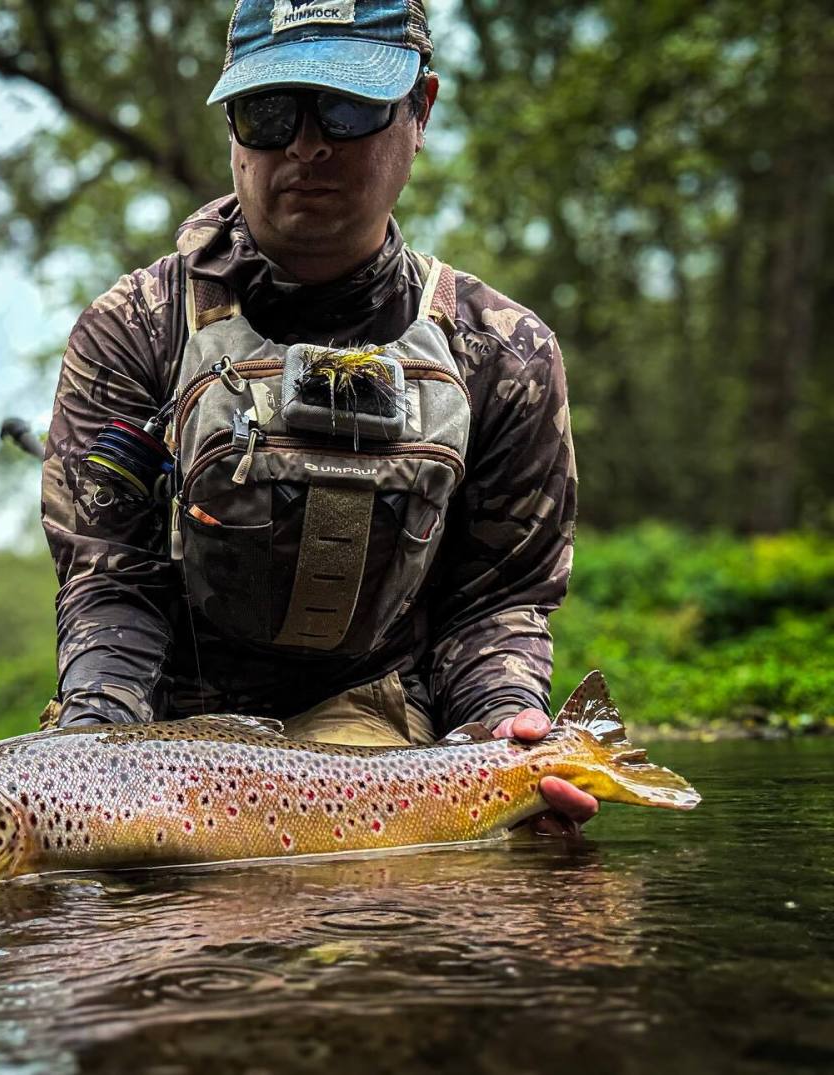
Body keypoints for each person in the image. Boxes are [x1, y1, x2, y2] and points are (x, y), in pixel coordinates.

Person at [40, 0, 596, 836]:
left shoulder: (504, 354)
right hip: (162, 731)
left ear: (422, 110)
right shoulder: (133, 330)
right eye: (268, 112)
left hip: (384, 730)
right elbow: (112, 582)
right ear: (232, 128)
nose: (306, 143)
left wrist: (503, 731)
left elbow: (499, 598)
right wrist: (92, 754)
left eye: (347, 105)